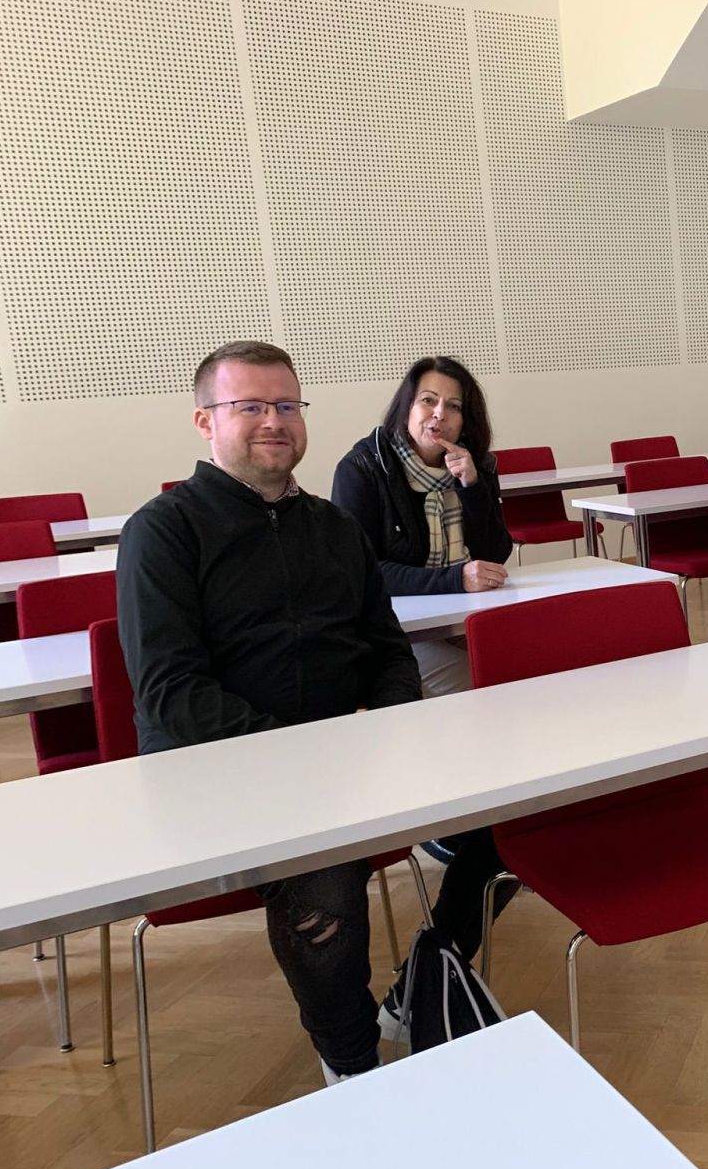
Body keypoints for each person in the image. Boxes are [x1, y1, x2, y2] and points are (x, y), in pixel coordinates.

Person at [116, 341, 420, 1085]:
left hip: (337, 759)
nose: (273, 421)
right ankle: (353, 1065)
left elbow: (388, 653)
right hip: (213, 772)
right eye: (249, 405)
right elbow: (170, 691)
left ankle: (421, 984)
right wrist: (304, 758)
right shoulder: (163, 531)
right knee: (325, 877)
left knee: (501, 813)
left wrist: (396, 730)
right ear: (205, 421)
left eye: (286, 405)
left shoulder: (336, 528)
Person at [330, 356, 513, 697]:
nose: (440, 414)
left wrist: (471, 488)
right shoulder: (363, 468)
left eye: (454, 406)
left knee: (535, 659)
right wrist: (455, 579)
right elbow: (359, 572)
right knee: (484, 684)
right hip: (391, 630)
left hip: (461, 614)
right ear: (407, 408)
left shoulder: (475, 463)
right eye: (428, 400)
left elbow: (496, 554)